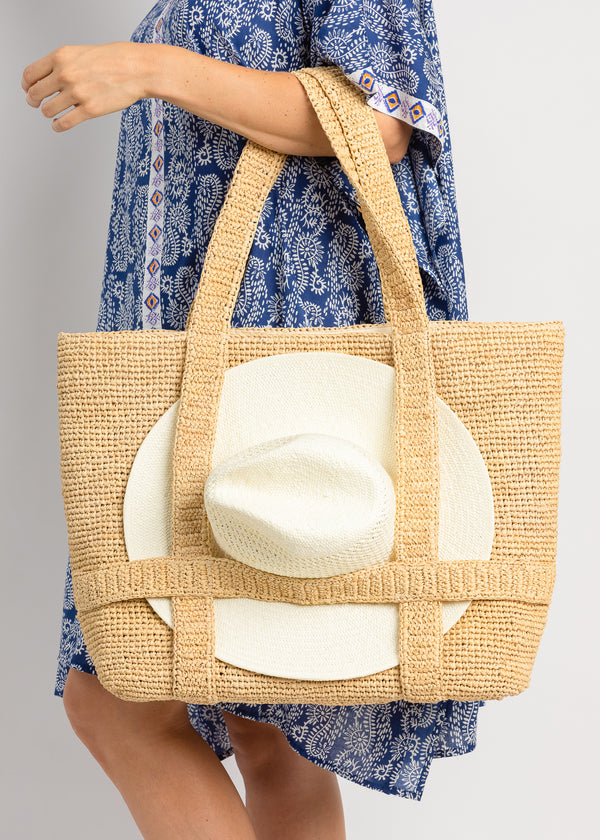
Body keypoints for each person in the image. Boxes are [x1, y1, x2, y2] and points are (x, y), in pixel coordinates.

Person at [22, 1, 484, 838]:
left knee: (118, 698)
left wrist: (151, 68)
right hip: (197, 365)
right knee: (268, 725)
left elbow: (381, 118)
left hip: (277, 363)